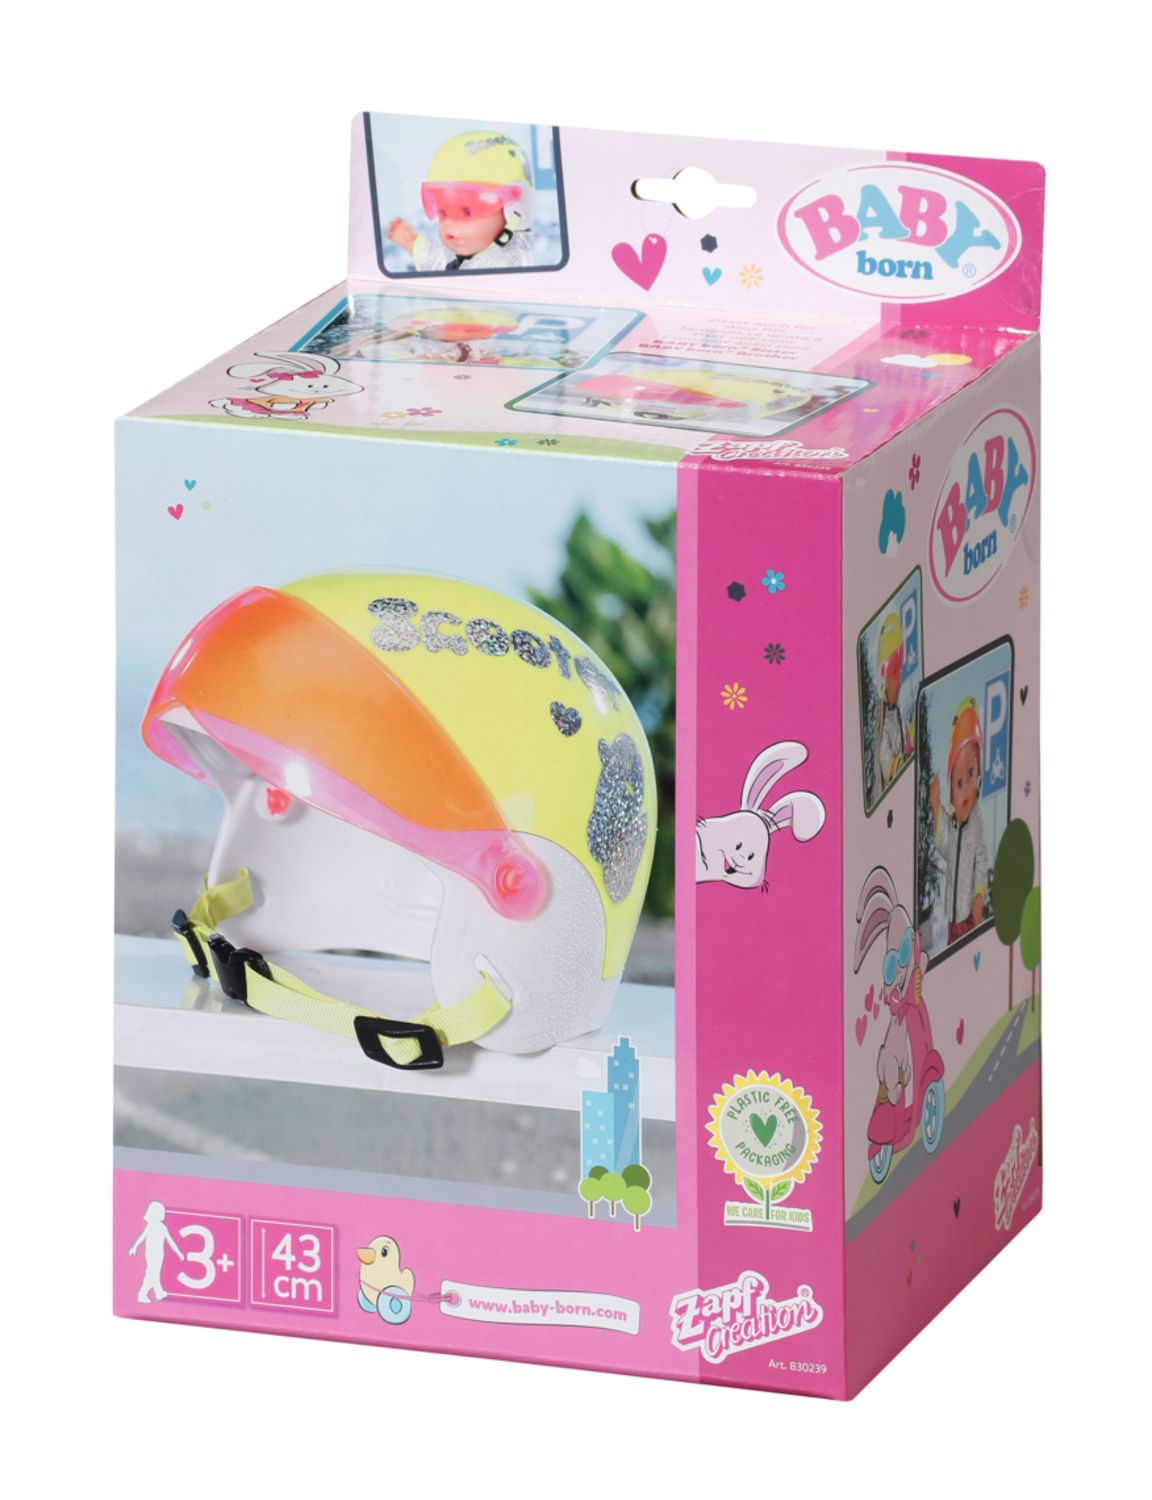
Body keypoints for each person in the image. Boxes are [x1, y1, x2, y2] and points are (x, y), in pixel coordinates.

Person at [388, 130, 536, 271]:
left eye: (467, 212)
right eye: (443, 213)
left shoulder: (510, 266)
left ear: (516, 210)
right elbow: (445, 262)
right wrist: (412, 243)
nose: (448, 222)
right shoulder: (475, 253)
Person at [930, 696, 988, 943]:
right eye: (959, 783)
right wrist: (935, 806)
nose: (965, 791)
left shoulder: (975, 823)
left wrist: (979, 898)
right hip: (953, 918)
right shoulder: (953, 826)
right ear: (951, 797)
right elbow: (945, 849)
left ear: (980, 778)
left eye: (971, 775)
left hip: (970, 915)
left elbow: (981, 860)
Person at [874, 612, 911, 795]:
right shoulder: (882, 726)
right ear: (883, 679)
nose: (900, 681)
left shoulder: (899, 714)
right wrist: (900, 764)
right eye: (896, 671)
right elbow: (886, 763)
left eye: (900, 670)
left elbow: (908, 737)